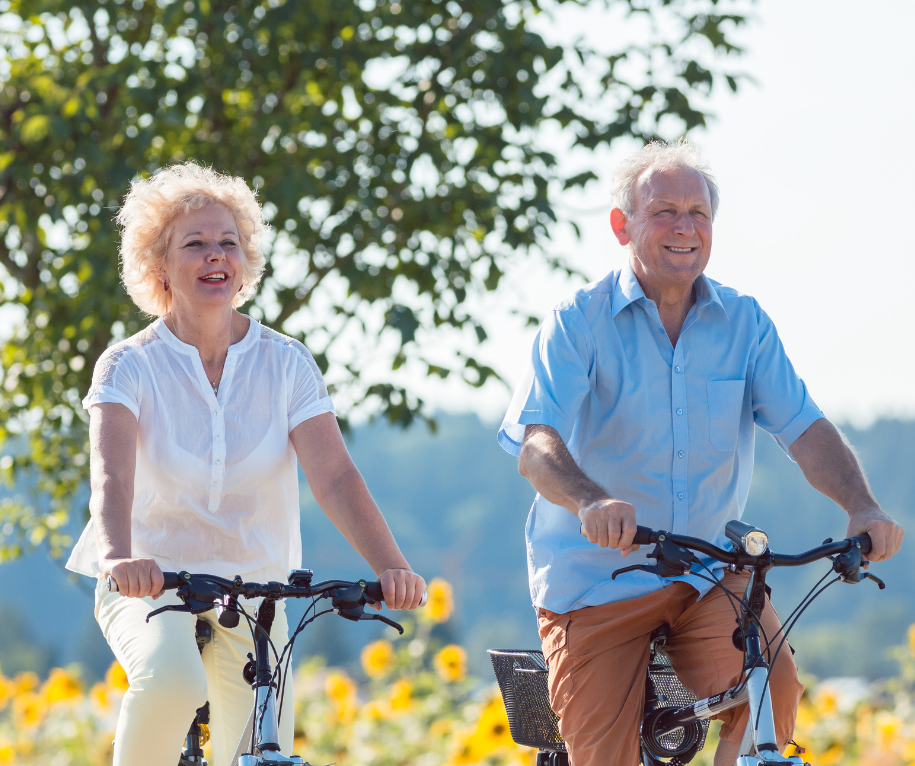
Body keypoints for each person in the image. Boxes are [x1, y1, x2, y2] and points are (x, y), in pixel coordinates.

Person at [497, 140, 904, 766]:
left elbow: (804, 428)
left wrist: (862, 506)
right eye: (663, 211)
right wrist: (591, 500)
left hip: (707, 574)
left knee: (769, 695)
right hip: (594, 582)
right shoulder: (579, 320)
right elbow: (536, 445)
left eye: (698, 213)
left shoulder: (744, 321)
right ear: (621, 225)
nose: (684, 227)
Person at [65, 162, 426, 766]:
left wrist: (392, 566)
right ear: (160, 266)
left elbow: (335, 478)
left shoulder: (285, 362)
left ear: (245, 261)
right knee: (172, 679)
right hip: (152, 580)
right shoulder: (128, 365)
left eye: (228, 243)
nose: (216, 256)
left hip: (253, 589)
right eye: (196, 243)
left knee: (263, 746)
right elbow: (112, 476)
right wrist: (119, 557)